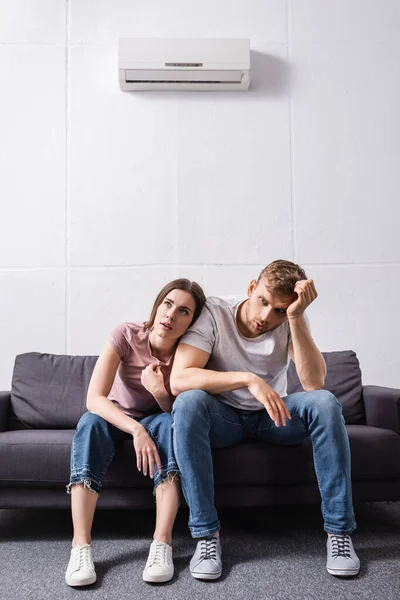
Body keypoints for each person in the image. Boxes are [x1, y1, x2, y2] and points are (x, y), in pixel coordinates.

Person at [170, 259, 360, 580]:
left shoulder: (290, 318)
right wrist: (247, 379)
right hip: (224, 418)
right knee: (188, 403)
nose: (265, 316)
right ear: (250, 289)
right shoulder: (215, 313)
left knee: (325, 403)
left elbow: (314, 384)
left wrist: (296, 316)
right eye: (263, 301)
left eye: (278, 310)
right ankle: (206, 535)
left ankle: (339, 533)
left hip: (273, 417)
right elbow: (180, 379)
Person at [65, 278, 206, 587]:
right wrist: (135, 428)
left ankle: (162, 544)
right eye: (168, 304)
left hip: (159, 417)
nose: (170, 315)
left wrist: (159, 393)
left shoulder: (190, 355)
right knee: (89, 424)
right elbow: (94, 399)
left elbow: (181, 414)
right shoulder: (127, 334)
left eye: (183, 311)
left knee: (170, 428)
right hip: (116, 415)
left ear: (191, 322)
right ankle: (80, 547)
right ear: (157, 306)